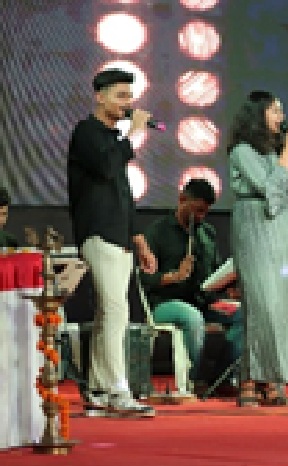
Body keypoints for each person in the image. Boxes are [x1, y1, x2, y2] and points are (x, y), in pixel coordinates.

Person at [68, 68, 157, 417]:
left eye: (129, 96)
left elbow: (124, 196)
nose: (127, 103)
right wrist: (133, 133)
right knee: (116, 310)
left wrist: (140, 241)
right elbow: (106, 166)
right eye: (120, 96)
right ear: (100, 96)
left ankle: (100, 389)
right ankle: (118, 389)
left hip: (120, 237)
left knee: (110, 313)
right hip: (98, 231)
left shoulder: (112, 139)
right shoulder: (86, 133)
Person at [227, 90, 288, 407]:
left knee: (281, 308)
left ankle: (273, 377)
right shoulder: (242, 151)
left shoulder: (272, 154)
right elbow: (270, 190)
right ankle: (249, 378)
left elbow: (284, 205)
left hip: (280, 234)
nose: (281, 117)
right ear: (258, 115)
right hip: (253, 226)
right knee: (260, 305)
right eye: (275, 111)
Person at [139, 178, 242, 391]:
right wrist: (175, 276)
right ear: (182, 199)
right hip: (165, 303)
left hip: (203, 301)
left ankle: (221, 377)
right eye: (197, 210)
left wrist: (229, 285)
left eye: (205, 212)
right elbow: (144, 279)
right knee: (192, 317)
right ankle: (195, 380)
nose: (201, 216)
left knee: (245, 314)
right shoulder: (158, 232)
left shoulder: (207, 233)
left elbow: (215, 272)